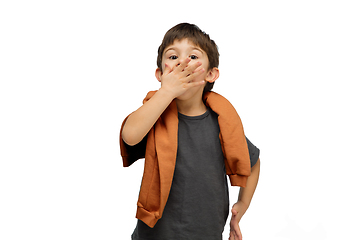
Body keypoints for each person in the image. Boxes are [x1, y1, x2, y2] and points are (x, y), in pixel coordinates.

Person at [120, 23, 260, 240]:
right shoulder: (153, 115)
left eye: (193, 57)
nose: (182, 63)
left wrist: (242, 204)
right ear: (160, 73)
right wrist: (166, 91)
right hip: (154, 235)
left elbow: (252, 161)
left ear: (211, 74)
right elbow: (129, 136)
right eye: (173, 57)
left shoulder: (222, 122)